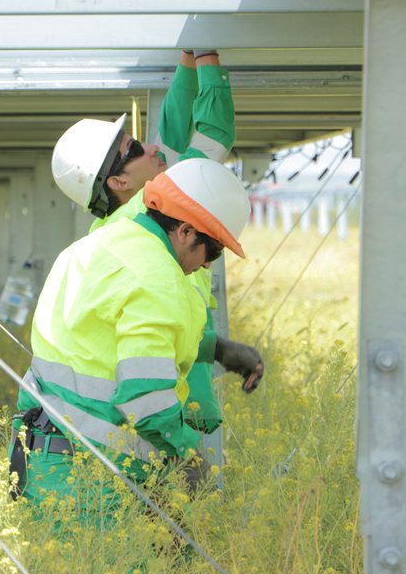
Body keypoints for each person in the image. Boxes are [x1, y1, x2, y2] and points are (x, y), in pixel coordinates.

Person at [10, 158, 263, 525]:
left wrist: (215, 348)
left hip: (40, 457)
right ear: (186, 231)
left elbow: (103, 339)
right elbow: (146, 399)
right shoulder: (156, 276)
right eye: (214, 250)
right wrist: (187, 457)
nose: (209, 264)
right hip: (90, 482)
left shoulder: (96, 244)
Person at [50, 49, 259, 435]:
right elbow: (214, 135)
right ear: (118, 182)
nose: (150, 148)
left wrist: (187, 57)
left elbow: (172, 137)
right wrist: (209, 51)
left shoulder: (121, 226)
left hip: (163, 390)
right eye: (133, 149)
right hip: (160, 409)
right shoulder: (162, 205)